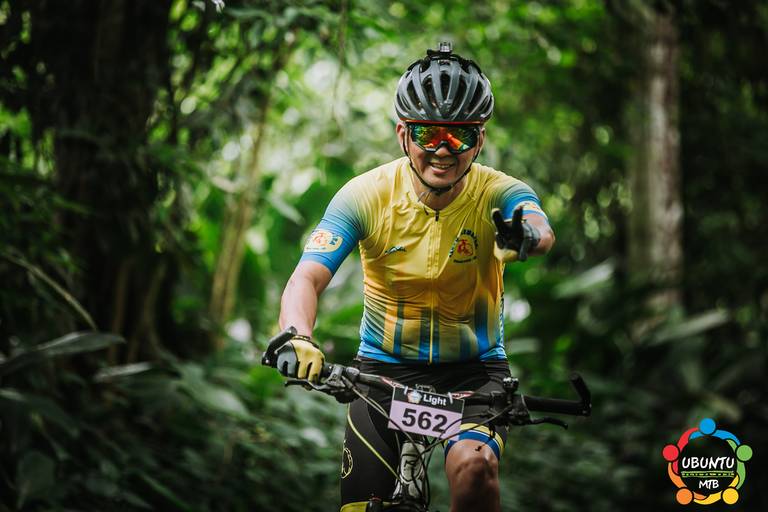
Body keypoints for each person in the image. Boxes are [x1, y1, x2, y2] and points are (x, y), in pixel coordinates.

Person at [275, 42, 555, 512]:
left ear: (480, 140)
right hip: (383, 370)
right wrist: (297, 335)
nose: (443, 150)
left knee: (475, 469)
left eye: (460, 136)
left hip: (475, 373)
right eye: (428, 133)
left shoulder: (498, 192)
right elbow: (306, 278)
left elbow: (539, 227)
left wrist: (525, 234)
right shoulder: (366, 195)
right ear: (403, 134)